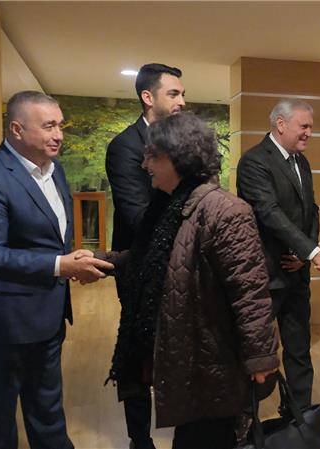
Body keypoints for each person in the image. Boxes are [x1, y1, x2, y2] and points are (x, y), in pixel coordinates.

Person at [98, 113, 279, 448]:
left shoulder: (225, 211)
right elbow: (153, 259)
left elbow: (250, 293)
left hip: (212, 364)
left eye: (152, 157)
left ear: (176, 157)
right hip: (187, 360)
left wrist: (261, 359)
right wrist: (101, 261)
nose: (145, 165)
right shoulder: (169, 204)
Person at [0, 91, 114, 449]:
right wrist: (60, 265)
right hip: (4, 322)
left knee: (48, 410)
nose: (58, 135)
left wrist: (68, 259)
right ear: (16, 129)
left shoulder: (54, 169)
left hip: (47, 314)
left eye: (60, 125)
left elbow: (49, 237)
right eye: (48, 126)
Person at [236, 98, 320, 409]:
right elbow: (269, 213)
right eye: (304, 126)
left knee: (299, 350)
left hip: (296, 273)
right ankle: (244, 420)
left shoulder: (301, 162)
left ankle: (300, 417)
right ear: (281, 124)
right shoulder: (254, 161)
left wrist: (304, 253)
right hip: (266, 276)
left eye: (311, 127)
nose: (309, 132)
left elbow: (311, 211)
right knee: (256, 354)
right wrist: (312, 253)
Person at [105, 62, 185, 449]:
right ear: (148, 97)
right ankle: (140, 439)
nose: (182, 101)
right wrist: (189, 226)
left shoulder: (184, 143)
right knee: (139, 354)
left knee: (179, 350)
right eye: (174, 93)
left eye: (183, 93)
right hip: (141, 268)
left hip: (183, 267)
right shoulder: (125, 146)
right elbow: (137, 215)